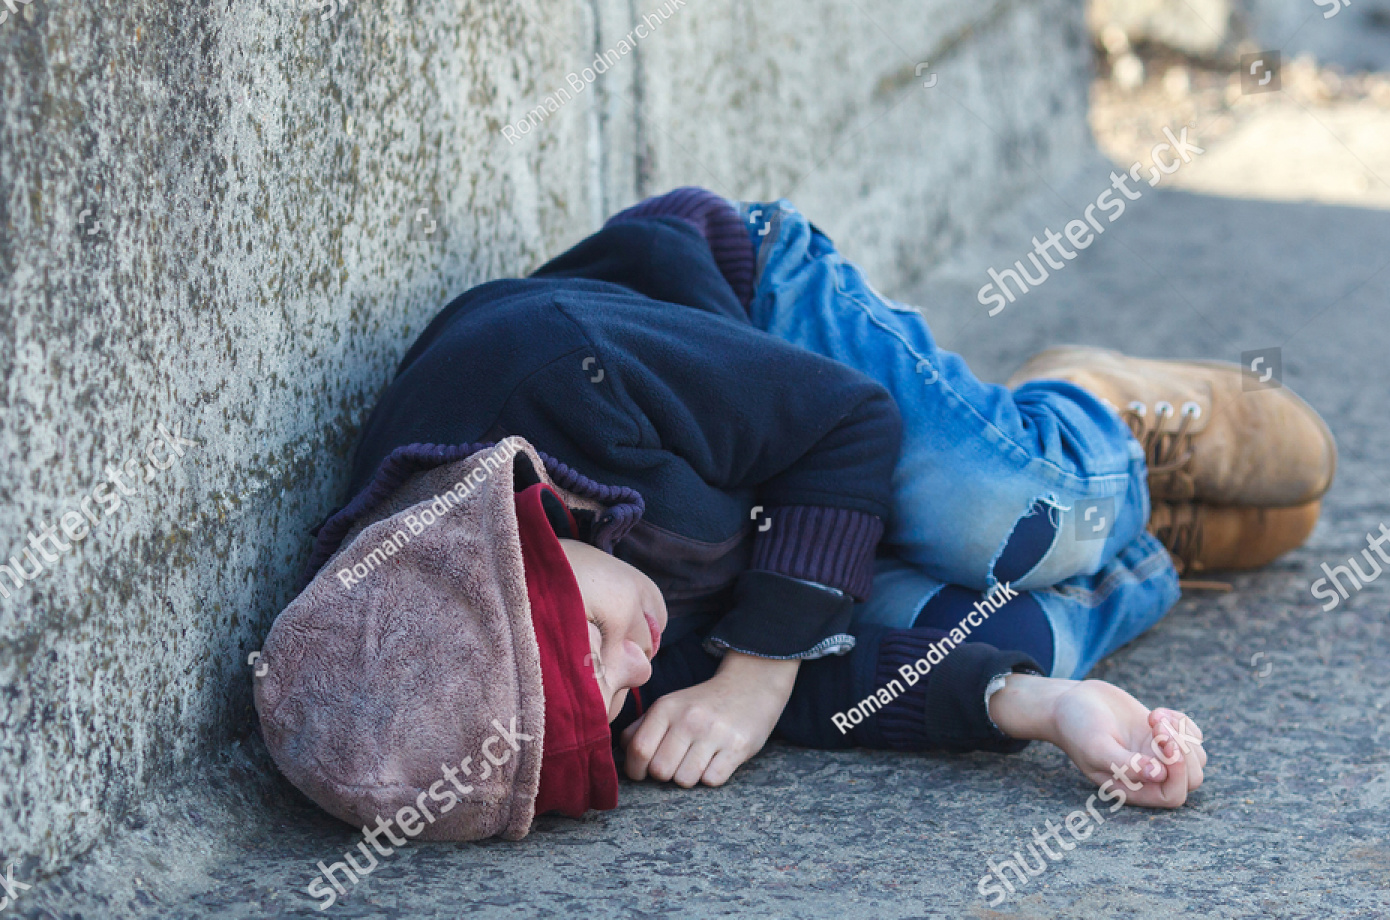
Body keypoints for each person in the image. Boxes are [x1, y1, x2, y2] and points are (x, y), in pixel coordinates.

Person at [252, 188, 1335, 843]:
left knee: (1003, 512)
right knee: (1010, 635)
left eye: (589, 647)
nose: (635, 675)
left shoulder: (549, 375)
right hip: (761, 534)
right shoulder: (574, 673)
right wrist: (1046, 710)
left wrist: (757, 667)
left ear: (509, 544)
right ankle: (1140, 555)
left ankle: (1096, 432)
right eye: (611, 701)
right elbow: (828, 688)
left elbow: (841, 429)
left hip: (771, 332)